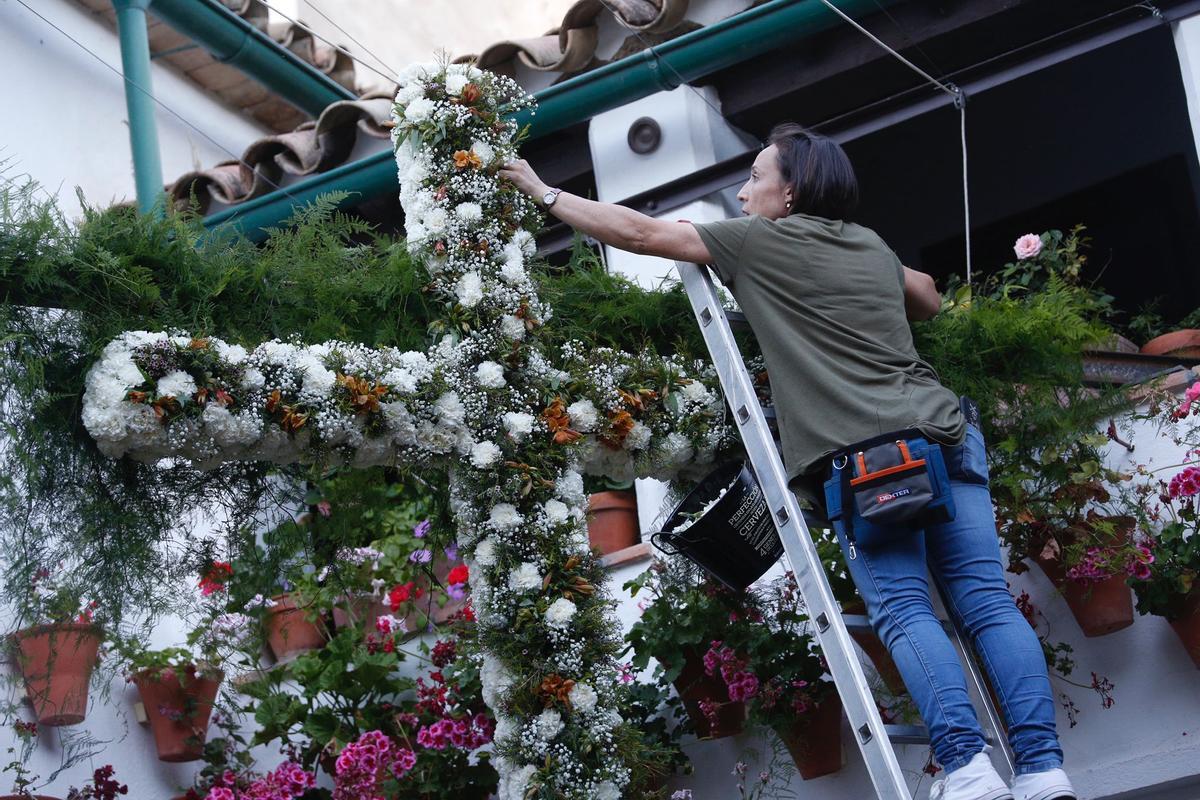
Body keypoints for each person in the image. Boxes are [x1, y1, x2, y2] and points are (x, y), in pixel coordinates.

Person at [500, 123, 1076, 800]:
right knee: (986, 605)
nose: (743, 194)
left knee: (903, 611)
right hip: (948, 433)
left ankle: (970, 770)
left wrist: (544, 193)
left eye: (753, 178)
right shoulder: (866, 244)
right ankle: (1042, 772)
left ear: (790, 192)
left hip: (870, 458)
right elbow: (928, 296)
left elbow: (641, 233)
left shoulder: (759, 243)